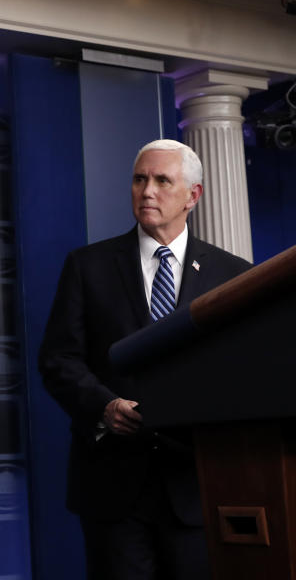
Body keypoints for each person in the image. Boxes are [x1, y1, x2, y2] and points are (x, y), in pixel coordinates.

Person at [38, 139, 251, 580]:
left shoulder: (232, 275)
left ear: (193, 196)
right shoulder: (88, 265)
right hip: (112, 485)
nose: (147, 191)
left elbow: (241, 369)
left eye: (161, 181)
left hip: (196, 483)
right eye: (139, 179)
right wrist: (104, 406)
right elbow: (59, 359)